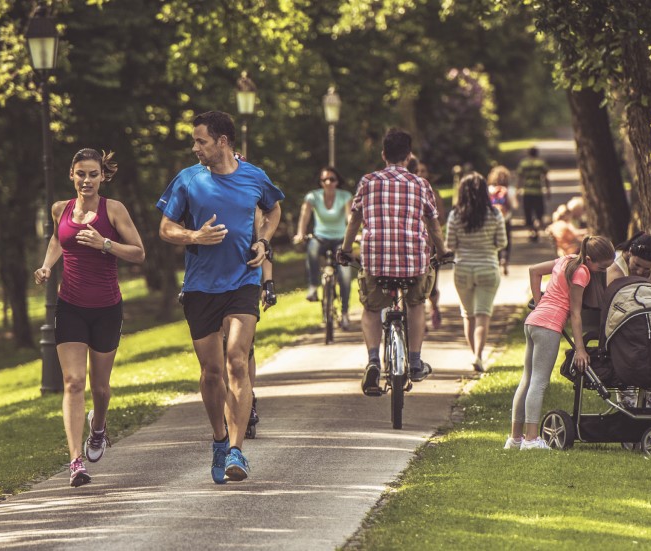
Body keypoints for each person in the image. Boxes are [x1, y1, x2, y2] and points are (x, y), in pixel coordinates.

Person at [156, 111, 283, 484]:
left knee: (237, 361)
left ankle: (237, 450)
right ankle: (218, 438)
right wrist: (194, 237)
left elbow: (274, 209)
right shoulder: (188, 180)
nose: (196, 148)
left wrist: (263, 241)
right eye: (195, 142)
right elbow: (165, 227)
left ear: (222, 142)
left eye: (201, 141)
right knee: (212, 373)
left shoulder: (254, 176)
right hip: (200, 288)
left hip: (243, 280)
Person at [34, 148, 146, 487]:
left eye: (93, 174)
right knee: (72, 383)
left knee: (100, 387)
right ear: (71, 174)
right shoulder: (60, 210)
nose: (86, 180)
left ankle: (98, 428)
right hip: (70, 307)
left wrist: (104, 243)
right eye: (80, 174)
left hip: (107, 309)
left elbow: (139, 253)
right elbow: (58, 239)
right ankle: (75, 462)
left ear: (102, 177)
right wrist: (46, 266)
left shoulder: (113, 210)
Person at [339, 129, 450, 395]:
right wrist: (443, 252)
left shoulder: (367, 182)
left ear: (383, 155)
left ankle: (374, 360)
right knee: (416, 303)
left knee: (371, 307)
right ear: (409, 156)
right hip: (413, 260)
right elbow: (433, 224)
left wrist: (344, 250)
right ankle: (414, 361)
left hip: (376, 260)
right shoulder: (420, 184)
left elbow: (354, 219)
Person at [509, 235, 614, 451]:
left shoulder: (566, 259)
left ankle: (515, 439)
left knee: (527, 380)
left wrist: (539, 303)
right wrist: (581, 350)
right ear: (590, 259)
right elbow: (575, 314)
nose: (603, 271)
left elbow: (534, 270)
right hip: (548, 326)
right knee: (539, 382)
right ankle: (531, 440)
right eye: (602, 267)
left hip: (533, 322)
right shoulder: (582, 272)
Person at [446, 173, 507, 372]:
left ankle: (474, 355)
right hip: (488, 268)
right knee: (483, 315)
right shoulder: (495, 214)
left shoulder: (455, 215)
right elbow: (502, 243)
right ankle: (478, 356)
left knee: (468, 315)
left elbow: (450, 244)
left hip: (463, 269)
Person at [293, 166, 354, 329]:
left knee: (346, 275)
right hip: (320, 237)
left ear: (337, 181)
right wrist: (300, 233)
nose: (328, 182)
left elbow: (350, 217)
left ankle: (345, 312)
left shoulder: (345, 196)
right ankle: (313, 287)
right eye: (324, 180)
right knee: (311, 249)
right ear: (320, 182)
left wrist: (355, 233)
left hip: (340, 239)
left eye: (332, 179)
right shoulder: (313, 196)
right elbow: (305, 215)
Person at [407, 155, 444, 329]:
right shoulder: (406, 191)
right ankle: (418, 321)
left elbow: (441, 218)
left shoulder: (432, 193)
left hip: (430, 246)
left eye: (423, 171)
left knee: (431, 285)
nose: (420, 173)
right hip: (412, 246)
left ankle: (434, 307)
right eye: (418, 171)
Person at [516, 147, 550, 241]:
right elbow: (545, 178)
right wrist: (548, 190)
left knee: (528, 212)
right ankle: (536, 228)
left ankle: (531, 230)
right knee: (539, 212)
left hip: (527, 192)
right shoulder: (541, 163)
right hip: (538, 192)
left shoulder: (523, 163)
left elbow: (520, 178)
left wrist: (517, 190)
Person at [487, 166, 516, 275]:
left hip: (493, 219)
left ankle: (497, 260)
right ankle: (505, 259)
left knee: (495, 240)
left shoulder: (489, 189)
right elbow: (515, 205)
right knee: (507, 240)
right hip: (506, 218)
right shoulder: (509, 189)